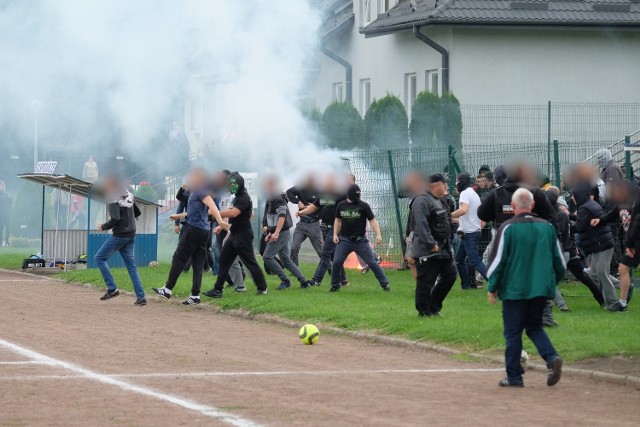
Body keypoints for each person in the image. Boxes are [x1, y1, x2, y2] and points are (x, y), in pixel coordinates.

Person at [487, 188, 564, 388]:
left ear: (513, 207)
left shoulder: (507, 228)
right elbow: (560, 263)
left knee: (513, 333)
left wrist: (492, 286)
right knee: (534, 327)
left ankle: (514, 377)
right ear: (532, 205)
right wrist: (551, 281)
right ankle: (552, 357)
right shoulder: (547, 227)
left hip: (514, 290)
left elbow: (497, 262)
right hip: (540, 290)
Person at [153, 168, 229, 305]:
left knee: (178, 257)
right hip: (203, 231)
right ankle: (195, 296)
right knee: (198, 262)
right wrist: (179, 216)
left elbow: (212, 207)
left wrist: (220, 221)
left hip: (194, 230)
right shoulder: (199, 191)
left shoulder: (201, 190)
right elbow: (198, 212)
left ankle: (168, 289)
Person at [204, 172, 269, 298]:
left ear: (240, 184)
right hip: (234, 233)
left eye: (234, 184)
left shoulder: (244, 198)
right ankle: (217, 289)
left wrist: (215, 213)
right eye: (230, 183)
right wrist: (214, 217)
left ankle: (262, 287)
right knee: (224, 260)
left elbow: (233, 213)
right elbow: (229, 212)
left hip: (243, 235)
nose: (231, 186)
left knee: (250, 262)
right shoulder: (236, 197)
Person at [545, 187, 605, 307]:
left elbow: (564, 232)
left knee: (551, 278)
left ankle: (559, 304)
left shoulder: (556, 213)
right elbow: (569, 230)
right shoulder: (559, 212)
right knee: (582, 276)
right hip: (569, 250)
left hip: (563, 250)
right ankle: (601, 299)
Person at [95, 176, 146, 306]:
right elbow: (137, 212)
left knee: (99, 258)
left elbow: (115, 218)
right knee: (131, 266)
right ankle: (141, 297)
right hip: (131, 234)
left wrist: (103, 227)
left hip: (120, 236)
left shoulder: (112, 197)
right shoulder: (128, 194)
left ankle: (112, 288)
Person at [411, 173, 457, 317]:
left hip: (443, 248)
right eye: (445, 184)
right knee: (426, 281)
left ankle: (434, 306)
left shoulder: (440, 200)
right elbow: (421, 225)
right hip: (429, 249)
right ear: (437, 185)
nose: (446, 187)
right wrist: (431, 244)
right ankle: (424, 312)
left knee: (450, 275)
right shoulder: (422, 200)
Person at [572, 182, 623, 311]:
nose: (572, 198)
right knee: (595, 273)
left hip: (601, 244)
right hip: (599, 243)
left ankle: (613, 304)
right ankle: (624, 285)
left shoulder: (584, 208)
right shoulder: (589, 205)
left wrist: (565, 226)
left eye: (573, 195)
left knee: (601, 273)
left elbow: (580, 227)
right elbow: (582, 222)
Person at [329, 184, 390, 292]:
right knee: (337, 262)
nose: (357, 197)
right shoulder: (341, 205)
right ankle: (335, 286)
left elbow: (372, 220)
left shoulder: (364, 206)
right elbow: (338, 220)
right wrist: (335, 234)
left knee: (372, 263)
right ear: (349, 195)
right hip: (344, 240)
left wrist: (378, 234)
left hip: (360, 241)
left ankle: (385, 284)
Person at [592, 179, 640, 311]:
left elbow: (636, 224)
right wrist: (600, 220)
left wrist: (631, 245)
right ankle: (622, 303)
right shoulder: (621, 203)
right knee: (623, 269)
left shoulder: (636, 202)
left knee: (622, 269)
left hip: (635, 242)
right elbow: (612, 215)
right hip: (632, 242)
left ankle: (622, 302)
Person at [261, 175, 312, 290]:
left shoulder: (277, 197)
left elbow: (282, 216)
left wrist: (276, 233)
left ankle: (285, 280)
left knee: (267, 257)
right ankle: (304, 282)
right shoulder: (270, 197)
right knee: (286, 260)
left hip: (282, 232)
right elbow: (272, 217)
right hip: (280, 232)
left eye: (267, 184)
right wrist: (271, 231)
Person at [297, 173, 348, 287]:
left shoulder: (341, 195)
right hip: (324, 228)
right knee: (334, 255)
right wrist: (301, 212)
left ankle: (316, 280)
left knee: (325, 253)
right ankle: (343, 280)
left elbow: (348, 208)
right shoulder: (323, 195)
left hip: (335, 228)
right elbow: (314, 207)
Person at [452, 173, 488, 290]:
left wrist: (448, 215)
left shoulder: (464, 193)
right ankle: (466, 285)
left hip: (470, 234)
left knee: (476, 261)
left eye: (457, 181)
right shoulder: (472, 193)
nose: (456, 184)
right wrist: (450, 218)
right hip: (471, 232)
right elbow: (467, 216)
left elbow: (463, 210)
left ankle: (496, 283)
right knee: (459, 260)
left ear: (462, 182)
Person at [286, 174, 323, 266]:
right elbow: (288, 193)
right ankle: (294, 268)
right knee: (294, 247)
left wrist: (311, 206)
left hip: (313, 224)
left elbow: (323, 204)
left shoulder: (319, 191)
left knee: (320, 251)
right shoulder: (300, 188)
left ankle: (330, 268)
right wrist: (298, 201)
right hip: (301, 224)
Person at [0, 181, 12, 247]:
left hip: (7, 216)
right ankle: (0, 243)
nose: (0, 187)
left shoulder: (7, 194)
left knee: (8, 229)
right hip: (0, 216)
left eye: (1, 186)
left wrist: (9, 211)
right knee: (0, 230)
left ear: (3, 187)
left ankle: (7, 242)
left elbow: (11, 203)